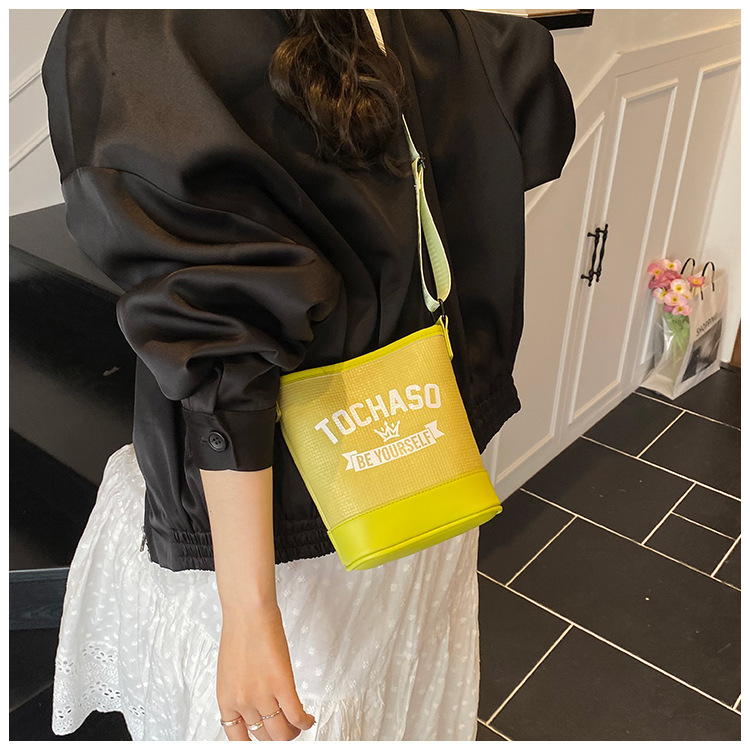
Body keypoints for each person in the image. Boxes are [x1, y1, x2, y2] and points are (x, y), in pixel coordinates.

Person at [41, 9, 575, 741]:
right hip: (421, 458)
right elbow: (534, 119)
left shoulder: (138, 30)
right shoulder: (420, 23)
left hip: (273, 531)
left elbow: (220, 338)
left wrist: (248, 609)